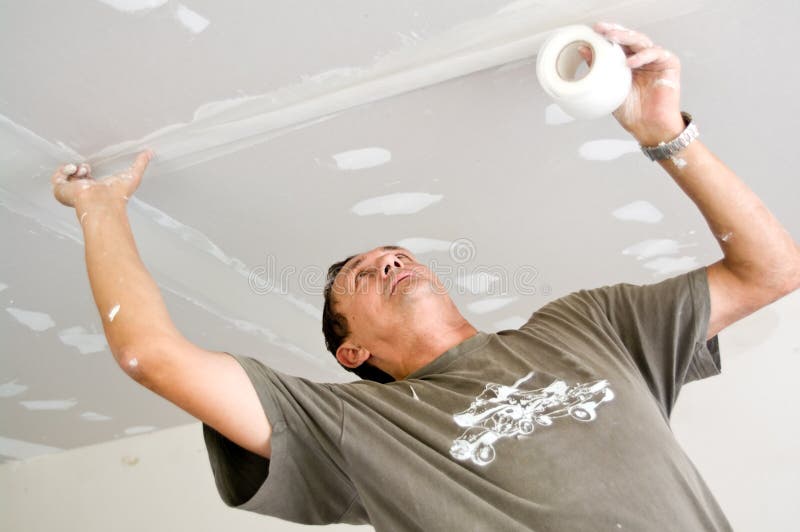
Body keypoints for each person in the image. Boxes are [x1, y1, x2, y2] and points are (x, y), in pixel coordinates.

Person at [51, 22, 798, 531]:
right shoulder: (356, 428)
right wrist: (99, 207)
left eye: (393, 252)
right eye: (358, 276)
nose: (388, 258)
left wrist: (662, 131)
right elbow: (148, 355)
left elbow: (773, 271)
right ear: (352, 356)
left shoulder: (590, 327)